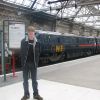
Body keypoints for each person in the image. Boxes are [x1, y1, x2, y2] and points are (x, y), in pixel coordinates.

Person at [21, 26, 43, 100]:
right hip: (25, 64)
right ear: (27, 33)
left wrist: (36, 62)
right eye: (29, 33)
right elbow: (22, 53)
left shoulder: (38, 43)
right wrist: (23, 64)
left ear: (34, 33)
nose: (31, 34)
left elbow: (39, 52)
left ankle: (36, 94)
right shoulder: (23, 41)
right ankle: (26, 94)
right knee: (25, 81)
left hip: (33, 64)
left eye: (32, 33)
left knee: (34, 80)